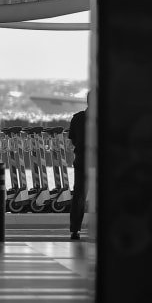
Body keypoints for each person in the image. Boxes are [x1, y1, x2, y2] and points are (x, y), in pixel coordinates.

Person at [68, 93, 90, 240]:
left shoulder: (77, 118)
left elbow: (73, 140)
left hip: (82, 160)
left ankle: (75, 230)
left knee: (79, 195)